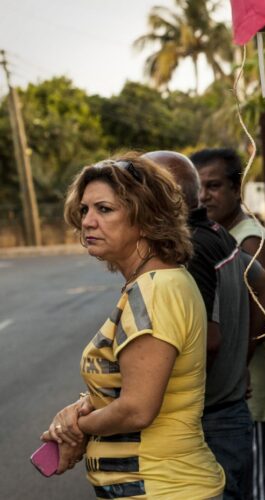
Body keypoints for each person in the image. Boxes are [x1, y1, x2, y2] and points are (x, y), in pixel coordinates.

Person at [43, 154, 224, 498]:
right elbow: (130, 386)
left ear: (145, 218)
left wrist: (75, 427)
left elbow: (137, 408)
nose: (88, 222)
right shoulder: (152, 283)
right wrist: (88, 404)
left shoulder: (155, 290)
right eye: (84, 210)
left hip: (161, 487)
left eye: (104, 209)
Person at [144, 151, 265, 499]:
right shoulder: (216, 232)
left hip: (211, 422)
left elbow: (207, 340)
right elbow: (263, 284)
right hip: (226, 413)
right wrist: (240, 363)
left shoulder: (192, 246)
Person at [191, 147, 265, 500]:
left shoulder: (250, 241)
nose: (203, 196)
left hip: (251, 386)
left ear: (236, 188)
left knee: (259, 486)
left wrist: (239, 366)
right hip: (238, 385)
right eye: (198, 186)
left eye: (214, 186)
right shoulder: (223, 235)